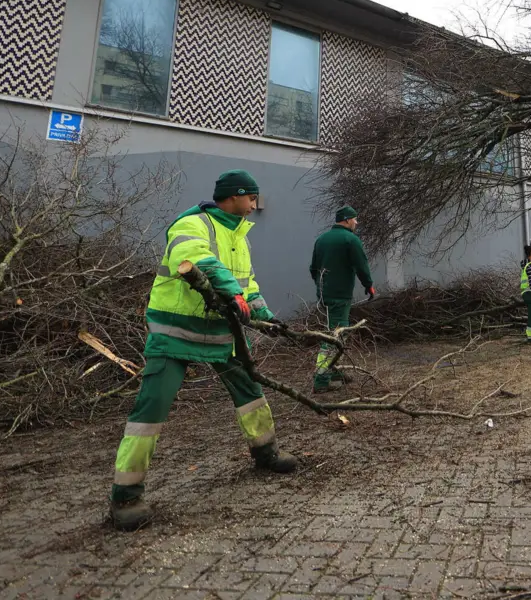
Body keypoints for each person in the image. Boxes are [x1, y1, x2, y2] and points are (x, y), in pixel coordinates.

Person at [108, 170, 299, 531]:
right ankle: (126, 494)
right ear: (234, 196)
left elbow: (246, 281)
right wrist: (233, 293)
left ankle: (266, 452)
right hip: (175, 334)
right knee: (151, 408)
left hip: (220, 333)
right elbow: (198, 260)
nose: (256, 203)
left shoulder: (239, 235)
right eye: (251, 196)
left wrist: (264, 314)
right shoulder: (194, 224)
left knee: (249, 393)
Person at [309, 205, 375, 393]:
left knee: (336, 330)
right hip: (340, 294)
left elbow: (313, 268)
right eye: (354, 219)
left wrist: (321, 286)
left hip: (325, 294)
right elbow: (361, 265)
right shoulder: (350, 239)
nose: (357, 222)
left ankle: (335, 371)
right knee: (334, 336)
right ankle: (321, 379)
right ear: (346, 220)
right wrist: (368, 285)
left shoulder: (321, 239)